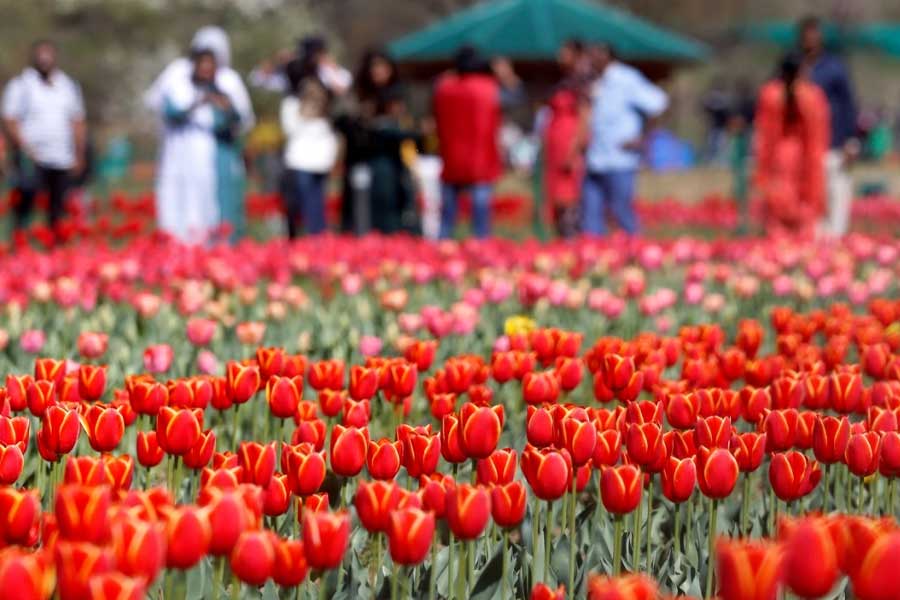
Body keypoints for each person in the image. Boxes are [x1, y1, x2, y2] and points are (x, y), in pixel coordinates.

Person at [144, 26, 254, 244]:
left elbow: (242, 120)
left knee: (211, 205)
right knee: (179, 200)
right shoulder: (177, 74)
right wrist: (194, 105)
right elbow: (162, 105)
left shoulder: (227, 82)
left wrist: (224, 107)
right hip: (179, 153)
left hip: (214, 155)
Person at [1, 40, 86, 240]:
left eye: (48, 54)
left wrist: (79, 153)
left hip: (61, 155)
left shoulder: (68, 86)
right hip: (31, 156)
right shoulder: (21, 85)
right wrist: (24, 147)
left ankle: (54, 245)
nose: (44, 59)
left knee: (58, 205)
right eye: (40, 54)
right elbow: (10, 119)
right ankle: (19, 244)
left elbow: (77, 121)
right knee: (26, 201)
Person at [581, 44, 668, 236]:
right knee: (590, 216)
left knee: (621, 211)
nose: (589, 60)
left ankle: (636, 252)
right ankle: (593, 256)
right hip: (595, 158)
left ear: (606, 55)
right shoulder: (595, 82)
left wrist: (642, 137)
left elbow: (658, 104)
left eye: (594, 55)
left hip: (620, 158)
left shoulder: (626, 78)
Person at [754, 53, 829, 237]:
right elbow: (818, 135)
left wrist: (761, 174)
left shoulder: (770, 94)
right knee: (803, 213)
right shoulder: (812, 95)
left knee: (777, 215)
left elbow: (765, 136)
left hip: (779, 158)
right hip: (803, 158)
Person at [433, 46, 504, 239]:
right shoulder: (488, 87)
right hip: (481, 158)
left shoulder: (444, 88)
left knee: (447, 215)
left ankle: (442, 247)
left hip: (452, 157)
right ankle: (481, 250)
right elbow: (515, 96)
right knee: (481, 216)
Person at [798, 15, 858, 237]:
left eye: (814, 35)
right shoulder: (795, 68)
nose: (810, 40)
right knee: (811, 203)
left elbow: (849, 104)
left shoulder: (834, 68)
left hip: (834, 144)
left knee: (836, 196)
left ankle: (836, 244)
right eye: (806, 36)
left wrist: (851, 141)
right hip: (804, 148)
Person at [280, 68, 338, 238]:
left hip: (320, 164)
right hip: (300, 163)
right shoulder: (292, 105)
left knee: (316, 204)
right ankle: (300, 237)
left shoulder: (325, 112)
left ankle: (317, 236)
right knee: (300, 204)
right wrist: (305, 113)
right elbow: (290, 130)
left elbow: (330, 137)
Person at [543, 39, 591, 238]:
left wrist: (574, 150)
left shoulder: (581, 83)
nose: (560, 56)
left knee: (568, 196)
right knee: (556, 197)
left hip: (569, 145)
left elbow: (585, 117)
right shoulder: (563, 81)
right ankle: (562, 238)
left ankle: (571, 238)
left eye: (565, 52)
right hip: (555, 147)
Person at [700, 76, 731, 165]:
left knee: (721, 146)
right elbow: (704, 109)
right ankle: (709, 162)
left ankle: (721, 163)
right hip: (713, 127)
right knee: (712, 146)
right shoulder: (711, 98)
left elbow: (726, 113)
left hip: (721, 127)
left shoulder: (724, 99)